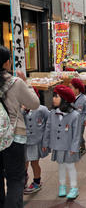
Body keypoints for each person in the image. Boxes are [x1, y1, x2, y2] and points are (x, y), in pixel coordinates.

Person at [0, 46, 40, 207]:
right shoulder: (14, 83)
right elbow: (34, 103)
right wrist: (26, 83)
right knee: (15, 179)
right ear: (7, 62)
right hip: (13, 137)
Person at [42, 85, 80, 199]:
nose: (53, 99)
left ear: (65, 99)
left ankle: (74, 188)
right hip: (58, 146)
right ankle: (62, 186)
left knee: (70, 166)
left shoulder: (75, 115)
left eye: (56, 96)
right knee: (61, 166)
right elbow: (48, 128)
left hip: (69, 147)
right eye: (53, 96)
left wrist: (74, 147)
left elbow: (77, 133)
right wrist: (45, 143)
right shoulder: (52, 113)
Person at [23, 88, 49, 195]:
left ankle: (37, 181)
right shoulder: (21, 110)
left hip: (36, 141)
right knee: (23, 162)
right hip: (24, 141)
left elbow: (49, 122)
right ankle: (24, 178)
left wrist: (45, 141)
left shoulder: (41, 109)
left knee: (34, 162)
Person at [69, 78, 86, 156]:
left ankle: (83, 147)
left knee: (79, 135)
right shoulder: (70, 98)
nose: (69, 89)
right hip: (71, 120)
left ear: (77, 89)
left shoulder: (85, 99)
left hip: (81, 121)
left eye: (71, 87)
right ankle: (75, 147)